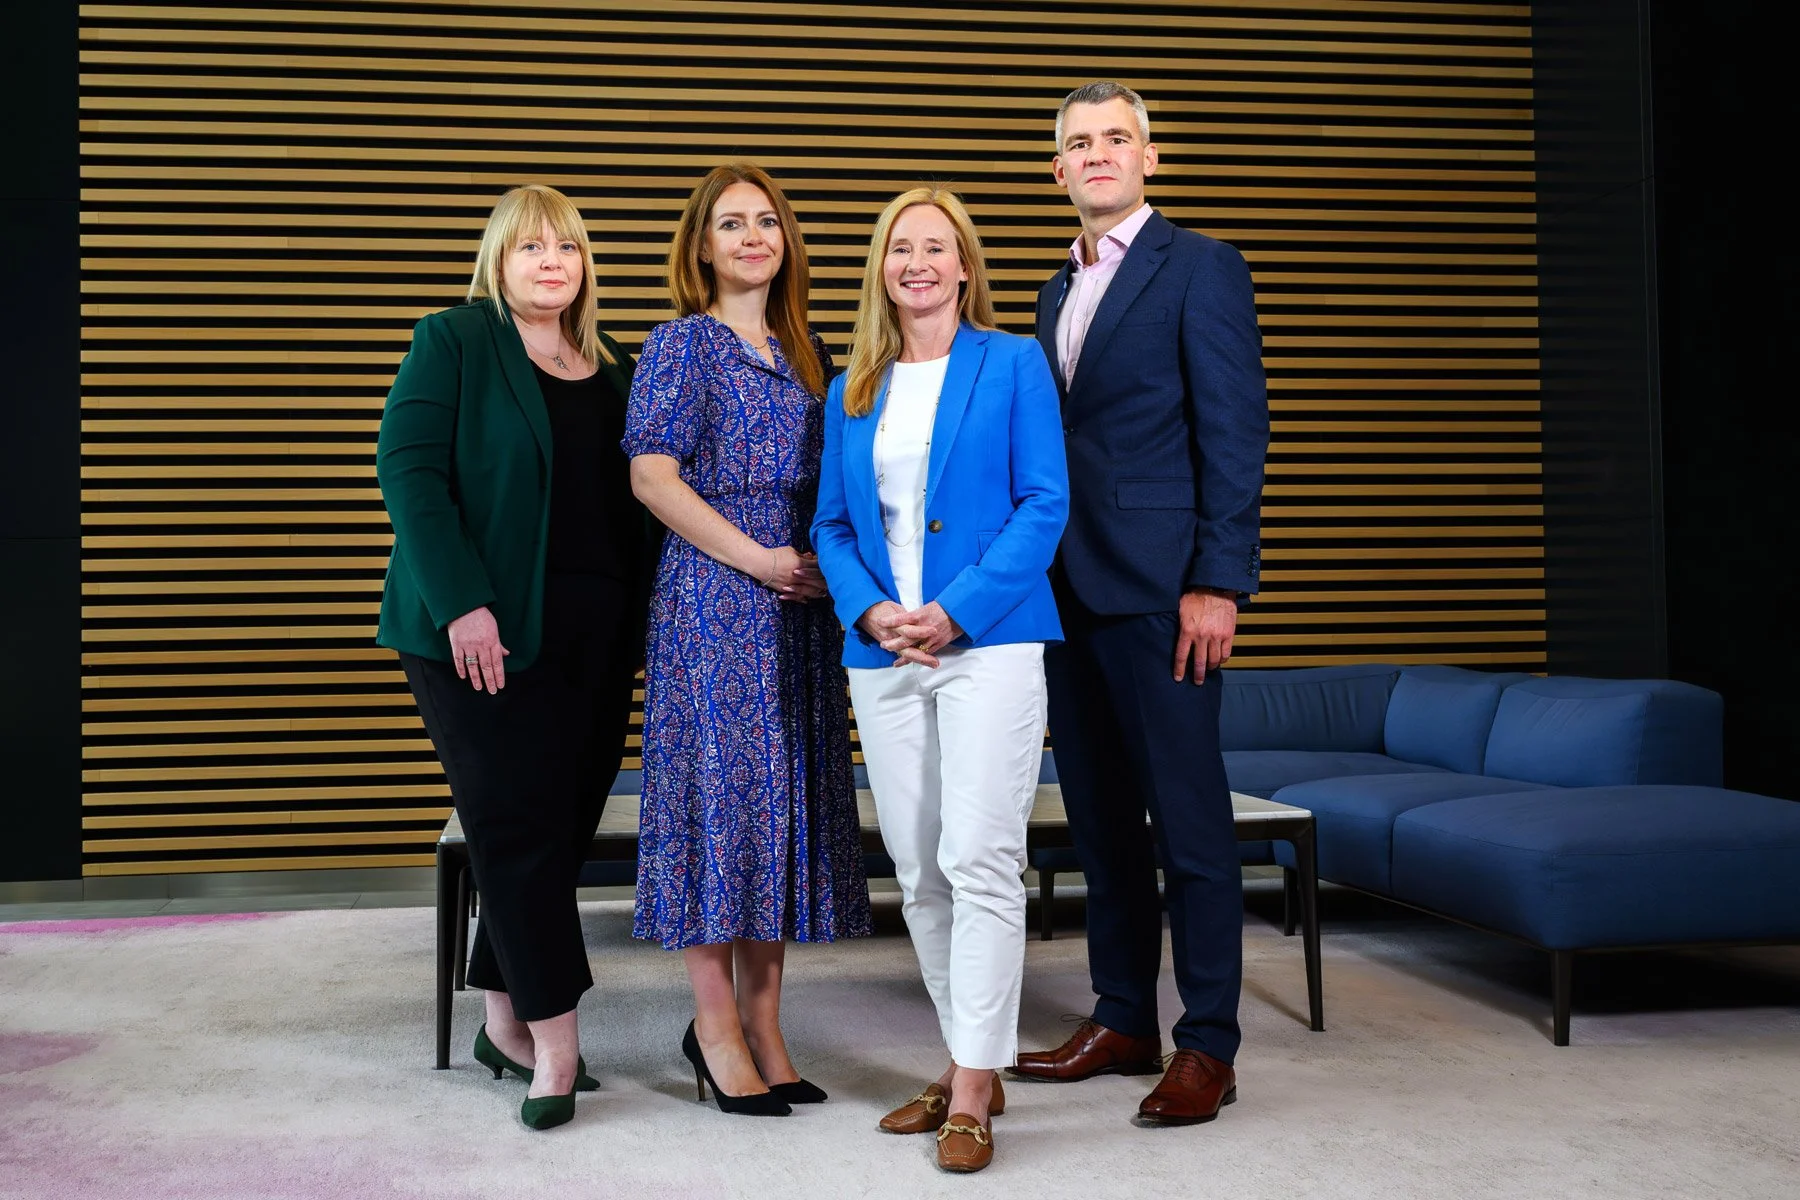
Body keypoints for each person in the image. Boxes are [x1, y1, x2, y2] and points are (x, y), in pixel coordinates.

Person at [1008, 81, 1269, 1126]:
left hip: (1166, 591)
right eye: (1079, 143)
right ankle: (1124, 1017)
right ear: (1057, 170)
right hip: (1063, 591)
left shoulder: (1201, 266)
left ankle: (1209, 1044)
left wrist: (1217, 580)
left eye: (1117, 137)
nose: (1098, 154)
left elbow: (1235, 432)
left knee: (1191, 826)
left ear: (1149, 157)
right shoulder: (1051, 289)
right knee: (1102, 822)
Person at [376, 183, 648, 1131]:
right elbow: (408, 469)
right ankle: (556, 1045)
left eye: (566, 247)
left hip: (595, 637)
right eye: (531, 246)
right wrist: (462, 603)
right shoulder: (455, 340)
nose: (551, 262)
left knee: (557, 831)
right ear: (498, 259)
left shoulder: (615, 364)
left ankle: (501, 1022)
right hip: (478, 636)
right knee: (517, 827)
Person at [812, 187, 1068, 1173]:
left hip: (988, 644)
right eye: (899, 247)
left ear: (965, 265)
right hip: (884, 652)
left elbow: (1044, 502)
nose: (916, 262)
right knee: (918, 867)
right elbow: (833, 525)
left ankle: (968, 1088)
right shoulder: (853, 385)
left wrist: (955, 608)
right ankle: (976, 1057)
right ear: (881, 268)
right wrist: (869, 610)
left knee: (980, 857)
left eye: (935, 246)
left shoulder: (1013, 363)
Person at [624, 162, 872, 1118]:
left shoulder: (807, 352)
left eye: (767, 222)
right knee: (719, 804)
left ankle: (768, 1027)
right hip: (715, 598)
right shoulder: (681, 344)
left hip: (800, 608)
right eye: (731, 224)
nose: (753, 237)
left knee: (781, 808)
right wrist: (761, 560)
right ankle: (715, 1026)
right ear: (701, 246)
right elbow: (652, 477)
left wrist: (821, 568)